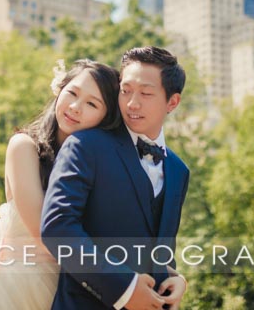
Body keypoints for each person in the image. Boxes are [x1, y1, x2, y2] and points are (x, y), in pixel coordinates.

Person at [0, 59, 122, 310]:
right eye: (72, 93)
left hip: (70, 287)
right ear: (59, 90)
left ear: (105, 118)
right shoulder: (25, 147)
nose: (75, 107)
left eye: (92, 103)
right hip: (19, 284)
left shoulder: (97, 166)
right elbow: (44, 233)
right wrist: (117, 277)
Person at [41, 46, 190, 310]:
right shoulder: (86, 145)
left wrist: (174, 279)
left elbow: (160, 248)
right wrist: (124, 288)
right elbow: (58, 228)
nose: (132, 103)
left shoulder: (179, 171)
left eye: (145, 93)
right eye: (125, 90)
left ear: (172, 102)